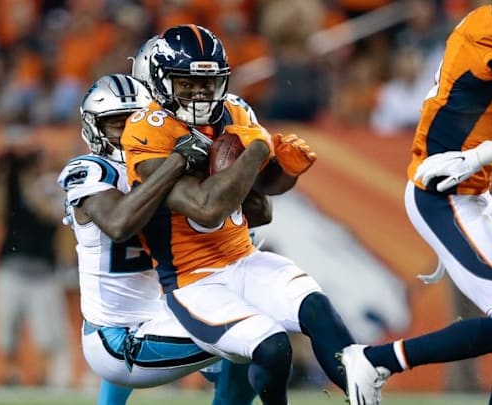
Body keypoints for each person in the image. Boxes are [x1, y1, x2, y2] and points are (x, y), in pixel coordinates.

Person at [340, 1, 492, 404]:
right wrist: (479, 158)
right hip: (443, 191)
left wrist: (482, 157)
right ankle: (378, 359)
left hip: (471, 188)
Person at [122, 24, 355, 405]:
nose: (199, 93)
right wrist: (258, 149)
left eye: (208, 83)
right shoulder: (149, 128)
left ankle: (365, 395)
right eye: (186, 83)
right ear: (164, 82)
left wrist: (286, 171)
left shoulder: (233, 110)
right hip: (194, 279)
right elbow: (206, 208)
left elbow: (263, 197)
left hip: (242, 258)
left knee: (318, 309)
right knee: (273, 348)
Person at [57, 73, 258, 405]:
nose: (127, 134)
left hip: (165, 313)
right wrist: (176, 162)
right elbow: (119, 223)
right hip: (117, 336)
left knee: (248, 317)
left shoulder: (166, 162)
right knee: (249, 333)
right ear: (95, 128)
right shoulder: (92, 169)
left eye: (135, 121)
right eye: (116, 124)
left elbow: (257, 215)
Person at [0, 141, 70, 387]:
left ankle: (44, 375)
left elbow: (49, 213)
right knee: (7, 325)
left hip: (43, 269)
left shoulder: (52, 187)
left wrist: (30, 184)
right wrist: (1, 175)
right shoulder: (10, 189)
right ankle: (12, 373)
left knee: (46, 330)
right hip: (10, 267)